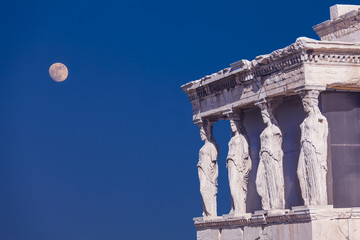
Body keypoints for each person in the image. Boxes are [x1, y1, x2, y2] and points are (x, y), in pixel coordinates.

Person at [297, 90, 328, 205]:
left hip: (314, 149)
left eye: (305, 104)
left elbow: (323, 137)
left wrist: (322, 155)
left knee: (314, 173)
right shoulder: (305, 119)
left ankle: (316, 201)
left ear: (311, 104)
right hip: (304, 148)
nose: (304, 107)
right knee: (301, 172)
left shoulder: (320, 119)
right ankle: (308, 199)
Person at [256, 104, 285, 210]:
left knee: (273, 180)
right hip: (263, 158)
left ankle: (274, 205)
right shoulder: (264, 131)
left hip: (271, 158)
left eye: (264, 115)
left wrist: (274, 157)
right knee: (259, 182)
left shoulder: (275, 129)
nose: (263, 117)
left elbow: (278, 145)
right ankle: (266, 203)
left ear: (269, 115)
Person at [227, 113, 251, 215]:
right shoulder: (232, 139)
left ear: (237, 124)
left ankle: (239, 208)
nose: (232, 127)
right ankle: (235, 207)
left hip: (238, 165)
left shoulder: (242, 138)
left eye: (233, 125)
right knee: (231, 185)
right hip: (231, 165)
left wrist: (243, 166)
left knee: (235, 186)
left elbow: (246, 153)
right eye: (231, 125)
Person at [197, 120, 219, 218]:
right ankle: (206, 212)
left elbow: (214, 162)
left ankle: (210, 213)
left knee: (205, 190)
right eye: (200, 133)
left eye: (202, 133)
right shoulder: (203, 146)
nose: (201, 135)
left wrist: (213, 175)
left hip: (208, 172)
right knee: (202, 189)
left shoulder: (211, 146)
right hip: (202, 171)